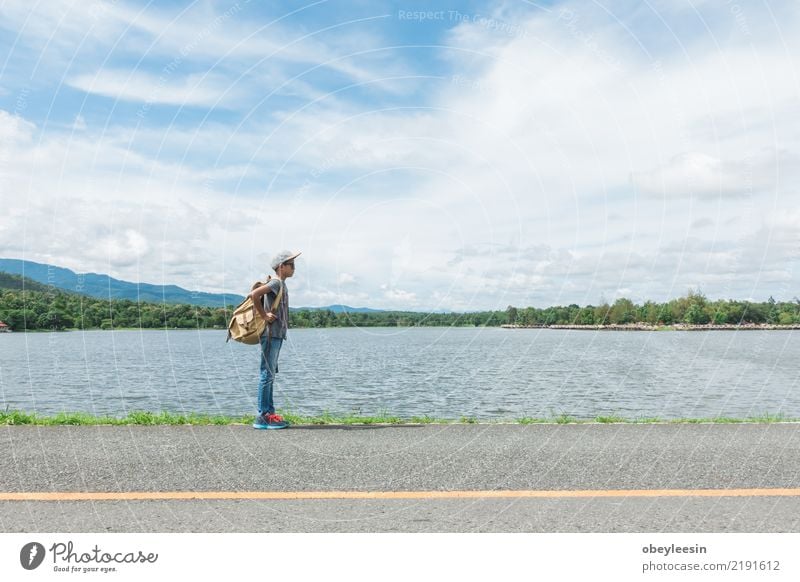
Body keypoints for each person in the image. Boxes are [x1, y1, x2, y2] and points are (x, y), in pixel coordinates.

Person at [249, 250, 301, 429]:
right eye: (291, 265)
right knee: (266, 375)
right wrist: (264, 315)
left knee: (269, 375)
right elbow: (254, 295)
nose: (294, 268)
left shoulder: (281, 284)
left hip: (276, 335)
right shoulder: (276, 283)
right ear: (281, 267)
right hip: (271, 335)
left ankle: (269, 414)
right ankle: (263, 416)